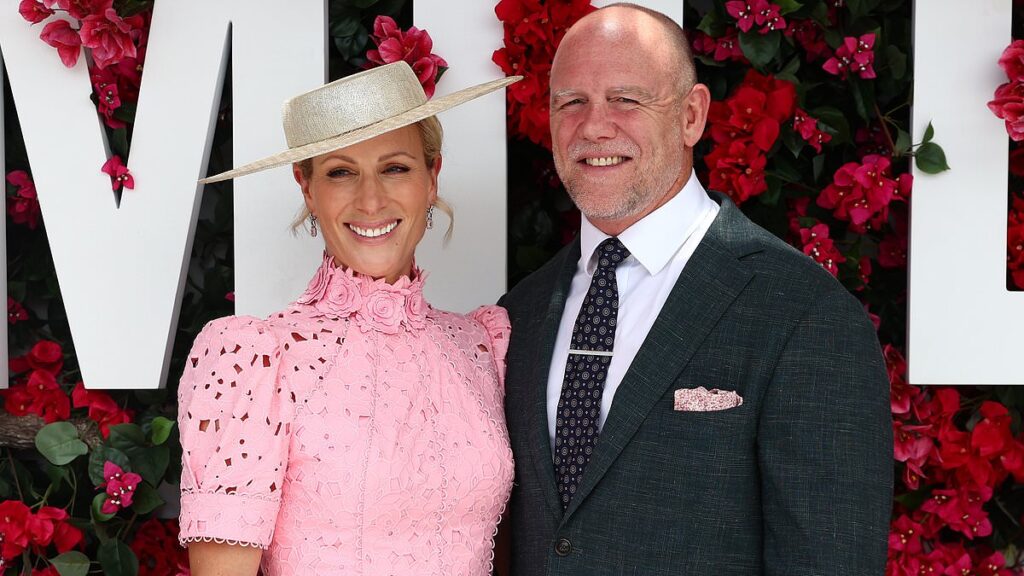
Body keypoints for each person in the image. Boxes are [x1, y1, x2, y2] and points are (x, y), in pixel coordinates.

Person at [499, 4, 893, 575]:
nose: (594, 126)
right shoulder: (522, 312)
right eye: (571, 102)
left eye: (626, 99)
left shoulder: (806, 315)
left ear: (691, 115)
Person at [176, 62, 521, 575]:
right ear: (307, 188)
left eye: (395, 167)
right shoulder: (255, 358)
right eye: (341, 172)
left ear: (432, 177)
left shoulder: (481, 344)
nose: (371, 199)